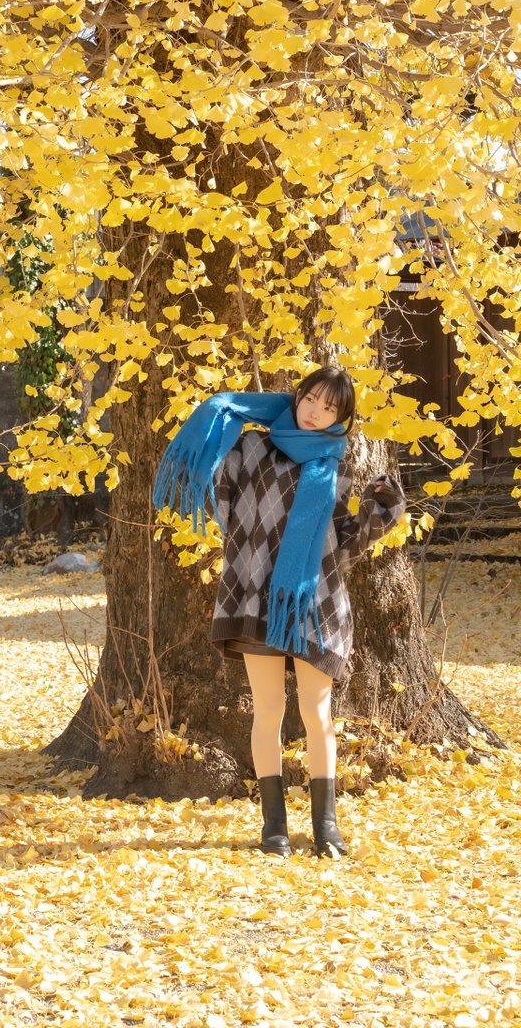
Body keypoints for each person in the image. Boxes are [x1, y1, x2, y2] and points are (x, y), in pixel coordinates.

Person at [153, 366, 405, 858]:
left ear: (342, 418)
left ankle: (326, 827)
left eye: (330, 408)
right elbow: (216, 496)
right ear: (297, 397)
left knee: (317, 712)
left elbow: (345, 541)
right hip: (253, 593)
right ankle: (274, 827)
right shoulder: (249, 447)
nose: (316, 412)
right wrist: (221, 416)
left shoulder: (336, 464)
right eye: (311, 399)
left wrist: (382, 509)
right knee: (268, 709)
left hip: (317, 602)